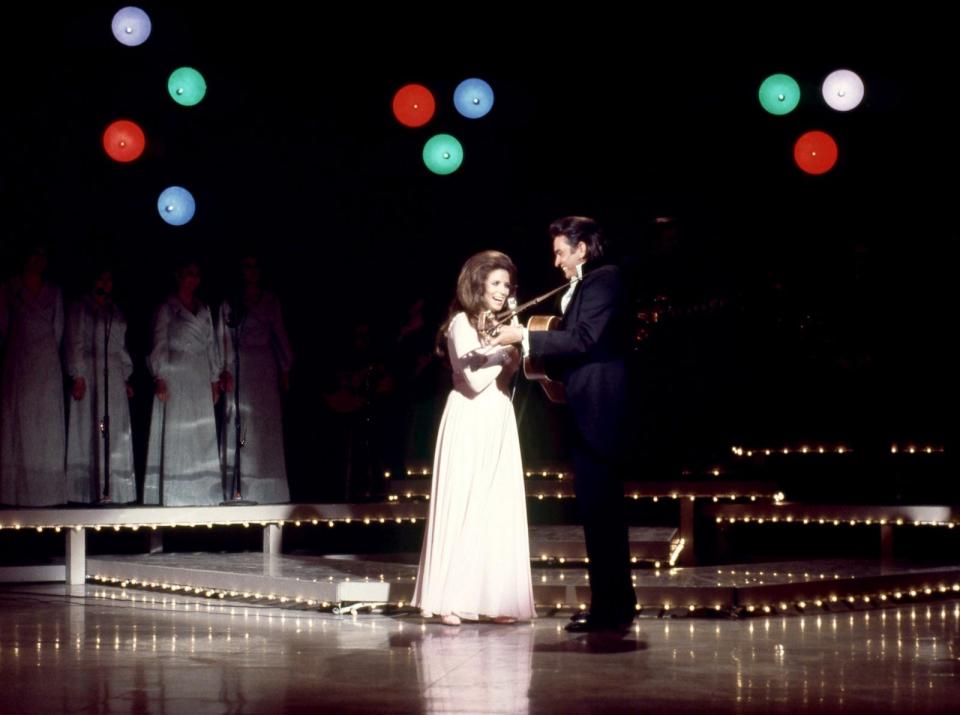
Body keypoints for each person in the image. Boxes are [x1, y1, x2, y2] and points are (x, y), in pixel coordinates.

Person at [489, 216, 637, 633]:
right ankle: (611, 604)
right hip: (583, 406)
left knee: (603, 511)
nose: (555, 262)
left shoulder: (604, 280)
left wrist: (523, 338)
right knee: (596, 511)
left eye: (560, 252)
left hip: (601, 410)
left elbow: (585, 339)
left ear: (582, 249)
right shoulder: (584, 285)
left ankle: (612, 608)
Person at [412, 250, 536, 626]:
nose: (502, 290)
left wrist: (510, 352)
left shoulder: (499, 323)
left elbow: (505, 379)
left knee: (495, 506)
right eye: (495, 283)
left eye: (506, 284)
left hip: (497, 417)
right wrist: (507, 351)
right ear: (477, 284)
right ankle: (450, 600)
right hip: (468, 417)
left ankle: (494, 599)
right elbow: (475, 381)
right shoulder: (460, 325)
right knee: (464, 503)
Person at [143, 260, 223, 506]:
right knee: (178, 433)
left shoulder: (204, 308)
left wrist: (214, 378)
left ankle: (202, 494)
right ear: (179, 276)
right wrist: (160, 377)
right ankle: (174, 494)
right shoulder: (167, 308)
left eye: (197, 274)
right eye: (189, 273)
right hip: (176, 375)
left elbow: (211, 345)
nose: (193, 278)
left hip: (198, 375)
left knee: (200, 432)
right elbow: (159, 343)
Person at [218, 254, 293, 503]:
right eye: (246, 266)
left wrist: (285, 368)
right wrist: (224, 368)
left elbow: (279, 334)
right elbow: (223, 338)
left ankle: (267, 489)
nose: (250, 272)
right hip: (239, 365)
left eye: (254, 267)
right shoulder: (230, 302)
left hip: (263, 367)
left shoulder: (270, 301)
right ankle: (239, 487)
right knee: (240, 421)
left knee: (265, 426)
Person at [0, 244, 66, 506]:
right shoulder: (9, 288)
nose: (38, 260)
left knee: (45, 422)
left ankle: (47, 493)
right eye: (34, 255)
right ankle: (16, 491)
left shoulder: (54, 292)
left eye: (42, 256)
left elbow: (58, 330)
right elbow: (2, 327)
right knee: (20, 420)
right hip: (19, 359)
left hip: (46, 362)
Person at [65, 265, 136, 503]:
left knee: (113, 429)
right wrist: (78, 375)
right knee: (92, 427)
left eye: (109, 279)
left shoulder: (114, 311)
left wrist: (125, 377)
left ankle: (114, 490)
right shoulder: (82, 308)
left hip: (112, 374)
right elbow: (74, 341)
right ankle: (90, 489)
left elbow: (121, 347)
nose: (106, 284)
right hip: (91, 372)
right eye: (101, 278)